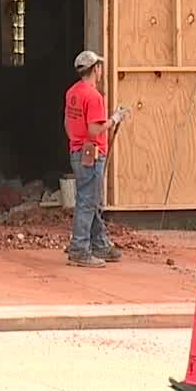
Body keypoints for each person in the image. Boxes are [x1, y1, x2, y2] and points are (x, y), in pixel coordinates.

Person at [63, 50, 129, 268]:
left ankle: (99, 243)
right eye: (99, 66)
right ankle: (80, 248)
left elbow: (67, 123)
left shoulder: (72, 92)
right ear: (95, 70)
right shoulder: (93, 97)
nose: (101, 70)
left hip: (77, 151)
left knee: (90, 200)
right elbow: (94, 129)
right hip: (91, 153)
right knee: (87, 202)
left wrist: (76, 140)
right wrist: (114, 119)